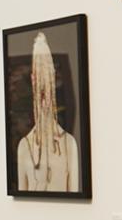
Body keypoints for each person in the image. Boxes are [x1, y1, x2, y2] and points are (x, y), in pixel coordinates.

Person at [13, 32, 82, 193]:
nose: (43, 87)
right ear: (33, 79)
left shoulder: (69, 144)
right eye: (39, 76)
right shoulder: (25, 147)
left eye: (47, 74)